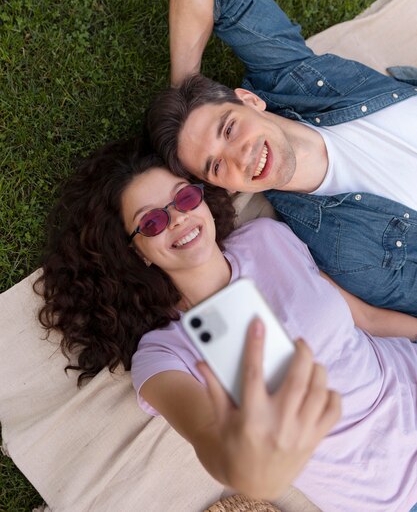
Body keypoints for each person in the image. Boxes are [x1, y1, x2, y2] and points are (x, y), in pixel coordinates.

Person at [36, 137, 417, 511]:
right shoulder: (163, 355)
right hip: (396, 491)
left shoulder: (266, 237)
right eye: (151, 221)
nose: (179, 217)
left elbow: (365, 318)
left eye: (184, 197)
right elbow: (208, 437)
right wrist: (253, 471)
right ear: (134, 251)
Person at [147, 0, 417, 315]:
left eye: (228, 129)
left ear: (250, 100)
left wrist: (183, 89)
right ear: (223, 187)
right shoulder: (345, 250)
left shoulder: (291, 82)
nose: (240, 156)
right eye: (215, 166)